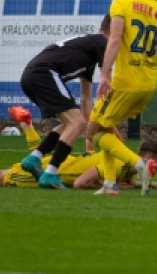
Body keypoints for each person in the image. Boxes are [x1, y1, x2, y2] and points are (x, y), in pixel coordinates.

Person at [89, 0, 157, 196]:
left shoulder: (122, 4)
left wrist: (104, 75)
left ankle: (140, 165)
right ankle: (109, 183)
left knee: (92, 132)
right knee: (106, 127)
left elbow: (114, 39)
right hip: (147, 83)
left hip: (124, 81)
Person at [0, 116, 157, 191]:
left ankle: (27, 125)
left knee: (37, 153)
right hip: (57, 170)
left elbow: (122, 177)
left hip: (62, 163)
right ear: (145, 157)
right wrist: (127, 187)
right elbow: (83, 182)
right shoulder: (119, 164)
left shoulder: (125, 159)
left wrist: (134, 184)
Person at [17, 19, 109, 190]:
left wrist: (88, 128)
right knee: (76, 122)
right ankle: (50, 173)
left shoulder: (89, 55)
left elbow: (85, 98)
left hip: (32, 75)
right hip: (43, 73)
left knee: (73, 122)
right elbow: (108, 78)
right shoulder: (102, 41)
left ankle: (34, 158)